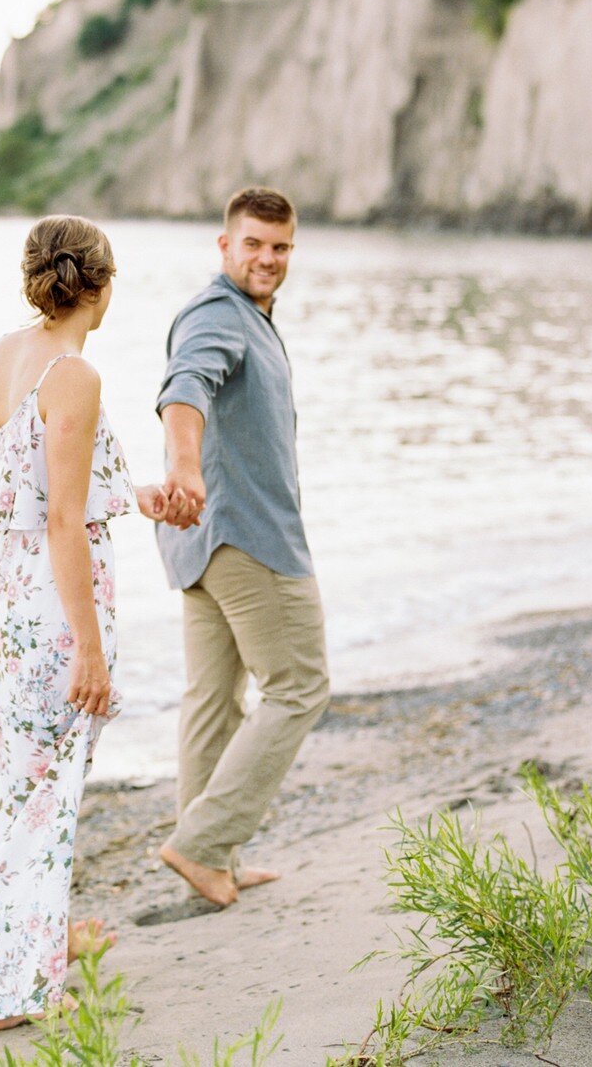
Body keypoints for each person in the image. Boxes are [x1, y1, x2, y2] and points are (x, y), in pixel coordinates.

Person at [0, 214, 169, 1029]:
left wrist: (144, 497)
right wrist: (89, 651)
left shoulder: (2, 355)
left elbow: (21, 485)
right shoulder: (75, 377)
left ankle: (29, 951)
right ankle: (7, 981)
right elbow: (61, 518)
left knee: (28, 779)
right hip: (52, 603)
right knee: (44, 787)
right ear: (102, 283)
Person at [154, 186, 330, 908]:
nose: (267, 258)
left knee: (213, 701)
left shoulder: (251, 317)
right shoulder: (218, 315)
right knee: (300, 686)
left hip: (202, 537)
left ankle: (211, 861)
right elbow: (185, 386)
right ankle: (200, 844)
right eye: (253, 243)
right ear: (223, 246)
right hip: (244, 537)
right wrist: (185, 466)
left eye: (280, 246)